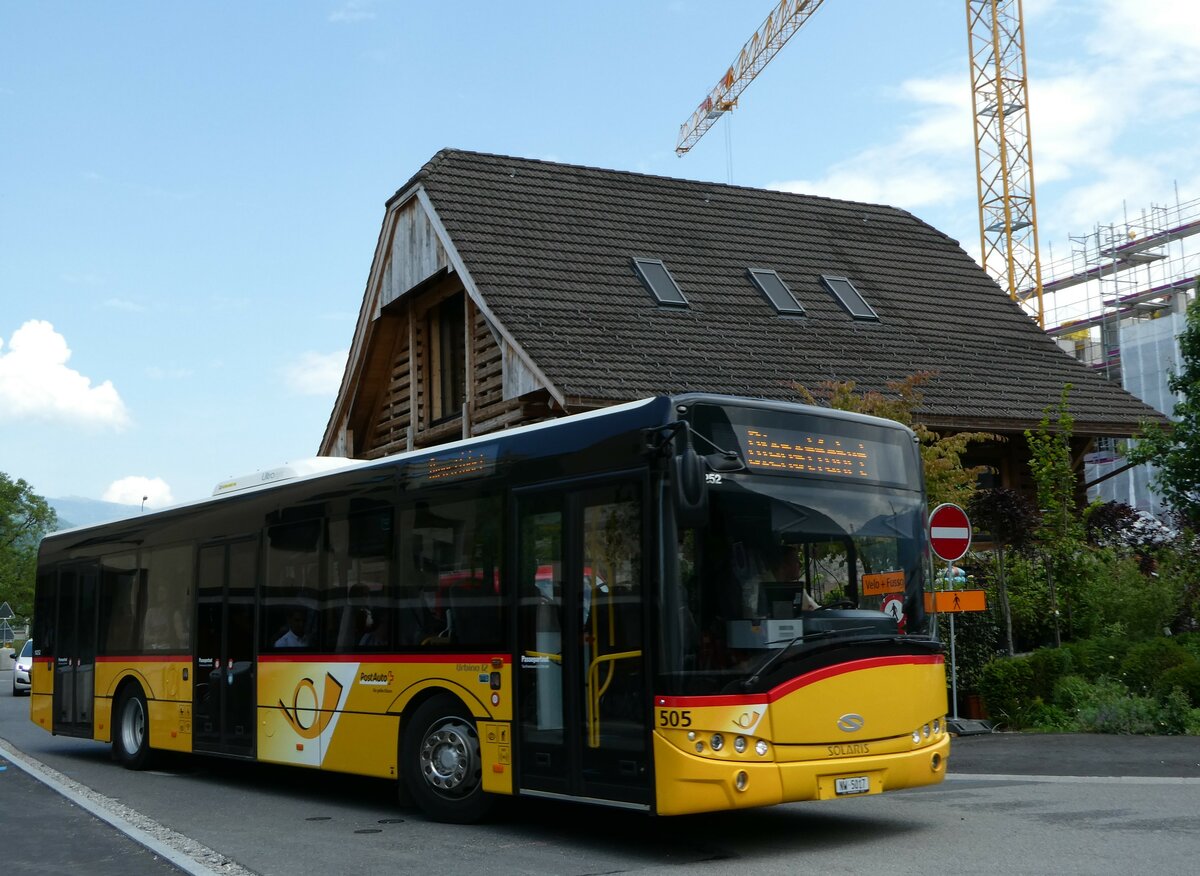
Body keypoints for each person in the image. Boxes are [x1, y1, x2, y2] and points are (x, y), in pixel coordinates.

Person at [771, 545, 819, 611]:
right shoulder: (764, 592)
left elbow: (818, 609)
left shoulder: (799, 590)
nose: (800, 565)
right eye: (796, 560)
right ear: (783, 566)